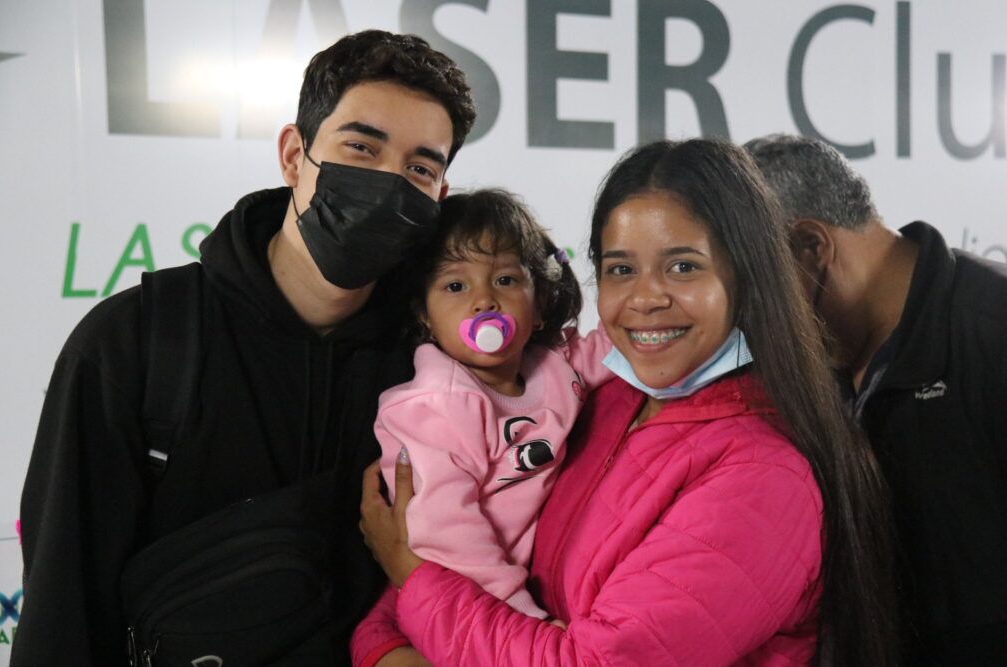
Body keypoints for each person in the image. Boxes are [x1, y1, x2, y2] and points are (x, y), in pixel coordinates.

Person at [13, 30, 475, 665]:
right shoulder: (138, 341)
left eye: (419, 168)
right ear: (293, 155)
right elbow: (61, 610)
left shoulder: (437, 363)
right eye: (361, 147)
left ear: (439, 197)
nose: (388, 183)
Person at [358, 139, 898, 666]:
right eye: (621, 269)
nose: (645, 298)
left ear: (749, 278)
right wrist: (388, 638)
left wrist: (415, 583)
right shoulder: (606, 397)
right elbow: (437, 564)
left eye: (683, 266)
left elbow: (425, 578)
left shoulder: (764, 478)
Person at [746, 133, 1007, 666]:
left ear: (812, 247)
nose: (744, 319)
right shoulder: (804, 361)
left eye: (751, 289)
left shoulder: (995, 333)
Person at [351, 189, 612, 662]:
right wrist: (518, 615)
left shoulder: (555, 366)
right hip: (440, 598)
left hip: (499, 596)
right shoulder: (436, 406)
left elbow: (615, 346)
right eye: (455, 286)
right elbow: (445, 532)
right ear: (425, 316)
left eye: (506, 279)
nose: (484, 300)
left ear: (539, 305)